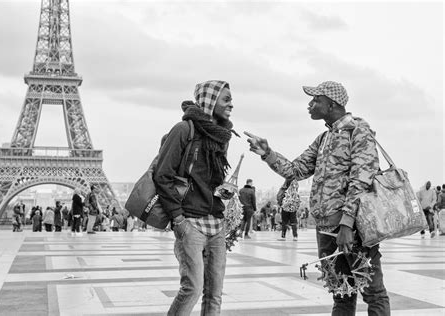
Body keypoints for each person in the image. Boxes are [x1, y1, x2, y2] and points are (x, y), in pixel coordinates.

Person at [245, 81, 390, 315]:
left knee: (373, 292)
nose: (310, 105)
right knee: (341, 293)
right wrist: (267, 154)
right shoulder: (323, 138)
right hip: (325, 229)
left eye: (315, 100)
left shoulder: (358, 130)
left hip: (354, 230)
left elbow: (361, 180)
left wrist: (346, 223)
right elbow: (296, 170)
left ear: (332, 104)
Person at [154, 80, 235, 315]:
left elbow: (210, 181)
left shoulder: (222, 135)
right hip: (190, 222)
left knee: (214, 294)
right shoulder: (183, 130)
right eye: (226, 99)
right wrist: (178, 219)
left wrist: (225, 191)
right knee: (193, 288)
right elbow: (163, 175)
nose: (232, 104)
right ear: (210, 101)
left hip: (216, 224)